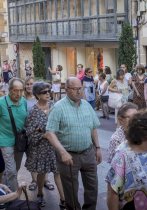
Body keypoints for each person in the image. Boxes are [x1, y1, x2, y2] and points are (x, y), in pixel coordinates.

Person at [45, 77, 101, 210]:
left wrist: (97, 148)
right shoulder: (58, 108)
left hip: (88, 153)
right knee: (71, 191)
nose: (79, 92)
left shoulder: (87, 106)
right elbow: (49, 133)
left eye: (81, 88)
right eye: (75, 89)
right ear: (67, 90)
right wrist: (62, 152)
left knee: (92, 188)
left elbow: (93, 127)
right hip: (68, 156)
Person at [24, 82, 65, 208]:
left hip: (55, 145)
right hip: (41, 147)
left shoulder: (54, 106)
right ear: (37, 94)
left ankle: (63, 199)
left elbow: (61, 124)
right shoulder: (34, 111)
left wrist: (43, 130)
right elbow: (31, 133)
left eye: (49, 91)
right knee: (41, 172)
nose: (48, 94)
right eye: (44, 92)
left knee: (58, 172)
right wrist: (44, 134)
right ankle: (40, 193)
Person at [0, 78, 28, 192]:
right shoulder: (0, 104)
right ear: (9, 90)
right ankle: (14, 199)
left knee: (15, 169)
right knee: (12, 171)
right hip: (5, 140)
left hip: (20, 141)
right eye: (15, 91)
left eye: (21, 90)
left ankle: (7, 185)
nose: (18, 94)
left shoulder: (23, 101)